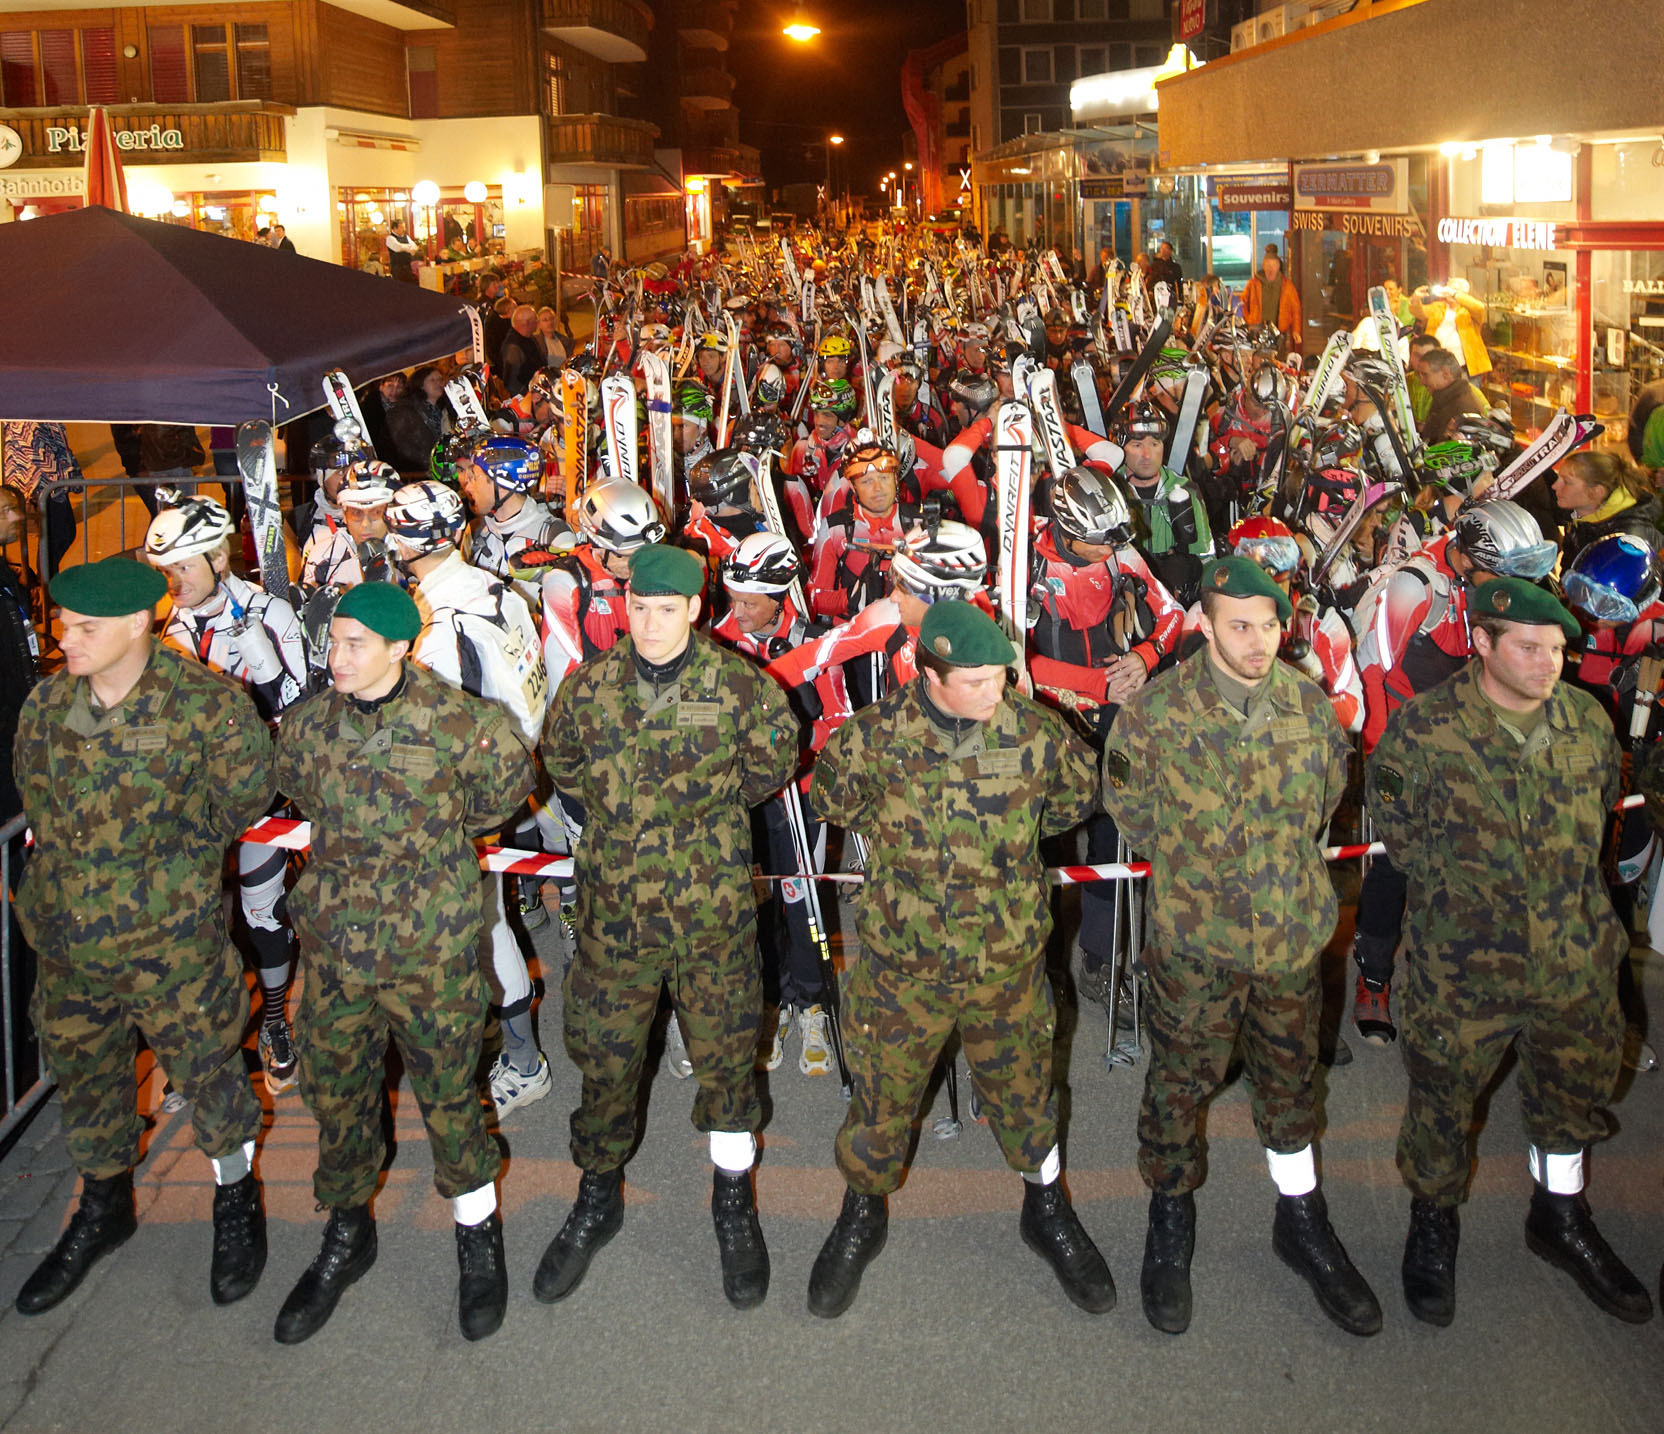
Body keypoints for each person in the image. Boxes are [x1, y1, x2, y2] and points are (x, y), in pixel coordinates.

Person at [805, 600, 1114, 1320]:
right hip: (901, 966)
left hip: (1006, 961)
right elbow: (833, 798)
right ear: (927, 672)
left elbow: (1072, 804)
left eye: (1000, 678)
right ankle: (863, 1209)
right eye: (975, 682)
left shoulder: (1036, 733)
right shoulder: (873, 740)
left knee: (1027, 1091)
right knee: (881, 1095)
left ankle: (1046, 1206)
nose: (995, 694)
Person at [1100, 557, 1381, 1339]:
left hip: (1290, 938)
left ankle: (1301, 1218)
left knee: (1291, 1084)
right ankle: (1169, 1216)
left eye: (1269, 625)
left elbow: (1328, 794)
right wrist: (1207, 874)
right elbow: (1131, 808)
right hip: (1196, 944)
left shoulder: (1309, 706)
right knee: (1179, 1086)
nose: (1259, 643)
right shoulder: (1154, 715)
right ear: (1206, 624)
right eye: (1239, 626)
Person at [1368, 579, 1653, 1327]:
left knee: (1570, 1095)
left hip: (1572, 957)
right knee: (1442, 1099)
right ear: (1484, 643)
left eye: (1558, 648)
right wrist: (1467, 902)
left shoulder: (1588, 723)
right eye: (1529, 646)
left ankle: (1559, 1216)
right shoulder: (1424, 729)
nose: (1549, 661)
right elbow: (1401, 832)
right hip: (1464, 964)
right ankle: (1433, 1220)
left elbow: (1596, 828)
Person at [536, 544, 798, 1311]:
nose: (648, 623)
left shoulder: (742, 689)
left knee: (725, 1059)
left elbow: (771, 766)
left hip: (711, 915)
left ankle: (731, 1195)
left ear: (694, 609)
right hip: (616, 913)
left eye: (665, 609)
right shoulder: (590, 690)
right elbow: (566, 765)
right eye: (638, 607)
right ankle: (597, 1190)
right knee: (606, 1055)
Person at [272, 581, 535, 1343]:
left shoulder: (463, 725)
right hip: (337, 953)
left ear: (400, 646)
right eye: (334, 642)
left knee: (452, 1095)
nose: (338, 657)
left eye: (356, 644)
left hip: (430, 952)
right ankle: (348, 1231)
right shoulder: (308, 726)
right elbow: (298, 791)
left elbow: (499, 798)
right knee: (338, 1096)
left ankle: (476, 1234)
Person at [11, 558, 274, 1316]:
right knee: (89, 1081)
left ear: (136, 625)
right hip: (68, 947)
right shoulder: (46, 706)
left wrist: (174, 865)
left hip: (172, 947)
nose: (66, 636)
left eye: (85, 627)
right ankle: (104, 1204)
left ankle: (234, 1197)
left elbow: (246, 797)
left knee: (210, 1073)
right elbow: (37, 798)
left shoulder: (206, 707)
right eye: (65, 622)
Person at [144, 496, 308, 1096]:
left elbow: (299, 711)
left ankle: (274, 1022)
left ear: (219, 556)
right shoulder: (175, 621)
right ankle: (204, 1042)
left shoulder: (274, 614)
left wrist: (267, 674)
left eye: (185, 566)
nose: (174, 581)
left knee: (260, 911)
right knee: (191, 914)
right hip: (194, 796)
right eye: (168, 570)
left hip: (259, 790)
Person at [1551, 449, 1661, 568]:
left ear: (1596, 492)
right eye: (1558, 478)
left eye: (1567, 482)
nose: (1555, 486)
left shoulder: (1628, 542)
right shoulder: (1581, 514)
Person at [1417, 348, 1486, 444]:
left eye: (1425, 375)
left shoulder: (1465, 408)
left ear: (1445, 374)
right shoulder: (1443, 398)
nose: (1422, 382)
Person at [1242, 248, 1302, 354]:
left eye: (1274, 265)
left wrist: (1296, 331)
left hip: (1279, 333)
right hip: (1257, 332)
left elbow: (1296, 310)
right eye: (1268, 265)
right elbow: (1242, 304)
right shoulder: (1253, 284)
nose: (1271, 269)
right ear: (1263, 266)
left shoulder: (1287, 286)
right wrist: (1248, 321)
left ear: (1278, 267)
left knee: (1277, 362)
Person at [499, 306, 544, 396]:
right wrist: (529, 396)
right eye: (536, 319)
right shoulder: (513, 348)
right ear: (527, 323)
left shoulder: (529, 339)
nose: (538, 322)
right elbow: (511, 383)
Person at [385, 217, 420, 283]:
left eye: (404, 227)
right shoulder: (390, 238)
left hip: (408, 268)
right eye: (402, 227)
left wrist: (406, 248)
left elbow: (415, 247)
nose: (404, 229)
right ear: (395, 228)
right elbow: (398, 248)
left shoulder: (406, 237)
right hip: (397, 269)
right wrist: (409, 248)